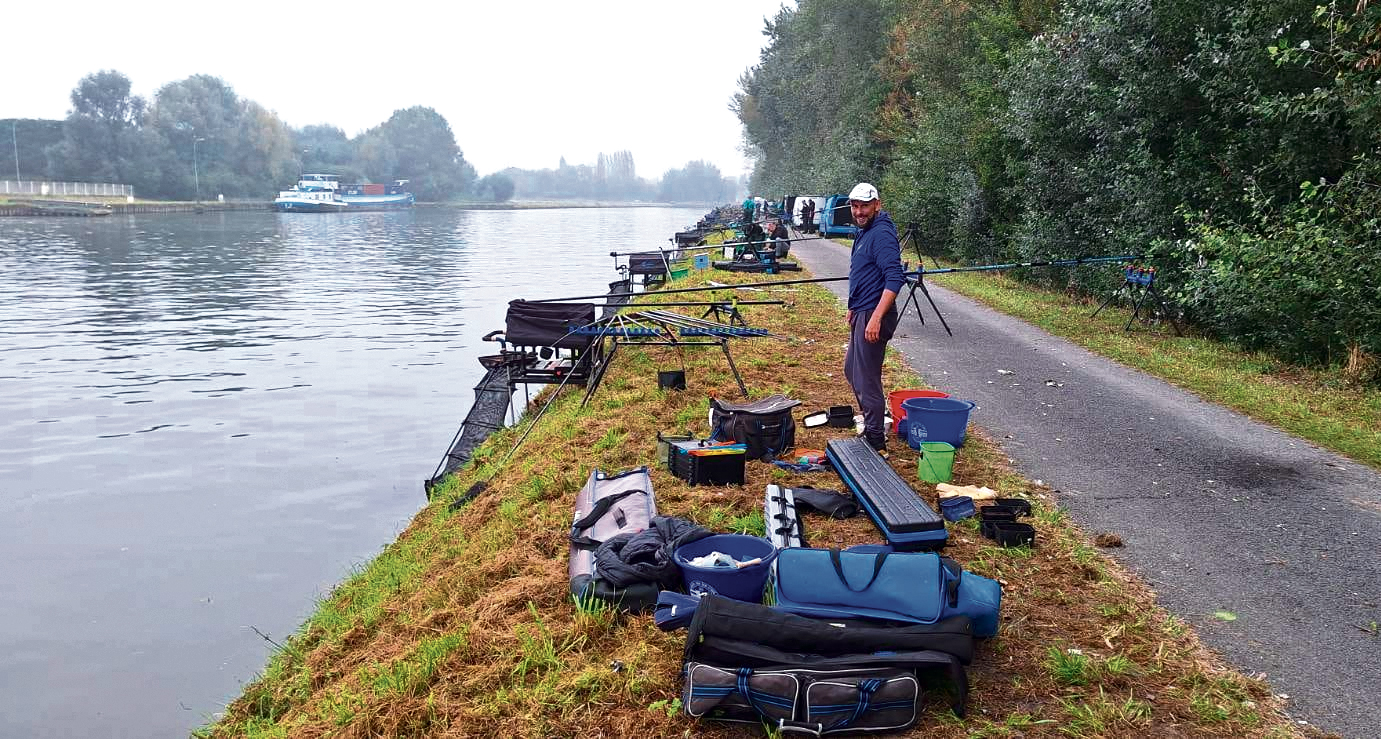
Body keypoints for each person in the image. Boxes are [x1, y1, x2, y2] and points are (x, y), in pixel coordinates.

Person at [843, 182, 903, 451]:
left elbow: (894, 278)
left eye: (864, 206)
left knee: (867, 380)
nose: (859, 211)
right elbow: (864, 273)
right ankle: (872, 425)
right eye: (855, 206)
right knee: (851, 371)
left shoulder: (881, 234)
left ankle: (876, 440)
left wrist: (876, 318)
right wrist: (853, 306)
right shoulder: (864, 230)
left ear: (877, 204)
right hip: (862, 310)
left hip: (874, 314)